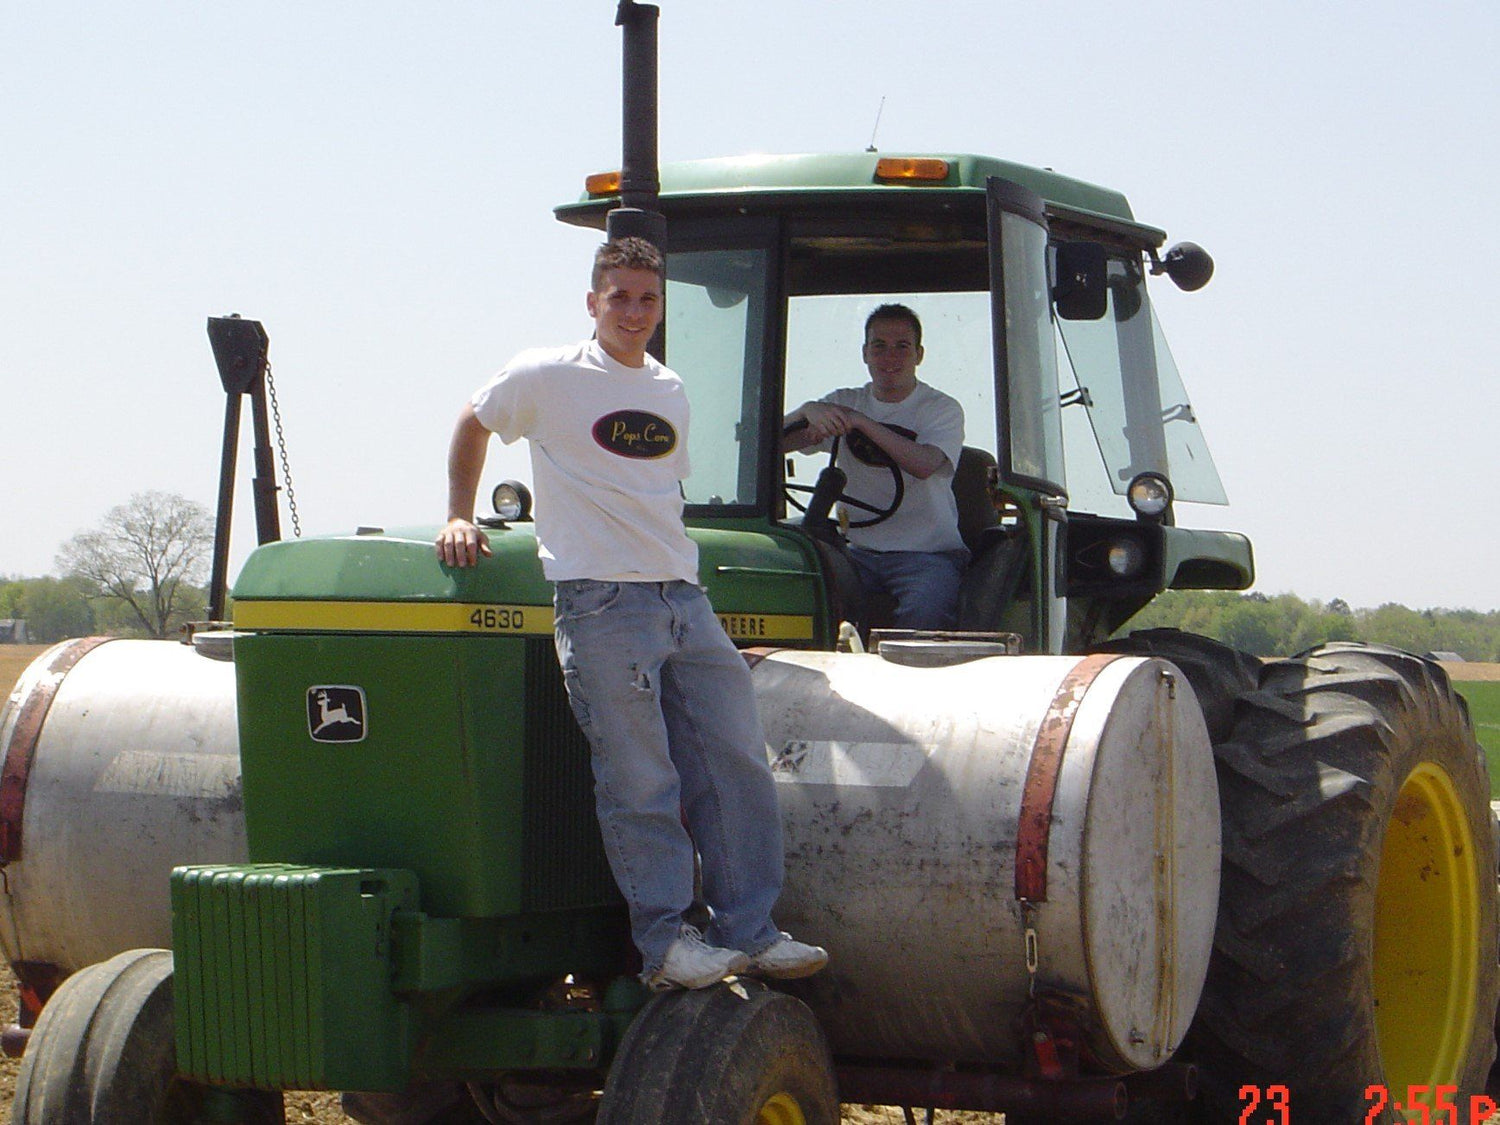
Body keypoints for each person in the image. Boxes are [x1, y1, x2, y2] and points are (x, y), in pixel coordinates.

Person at [436, 236, 827, 992]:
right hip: (600, 601)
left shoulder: (668, 388)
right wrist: (458, 514)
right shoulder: (545, 374)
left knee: (738, 762)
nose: (634, 312)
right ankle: (666, 943)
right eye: (620, 297)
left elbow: (657, 495)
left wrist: (683, 584)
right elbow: (473, 419)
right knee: (641, 778)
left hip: (682, 595)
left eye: (648, 299)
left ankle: (750, 929)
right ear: (593, 302)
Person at [783, 303, 969, 630]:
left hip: (927, 555)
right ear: (865, 353)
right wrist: (806, 411)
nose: (889, 357)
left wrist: (861, 423)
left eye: (902, 347)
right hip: (855, 552)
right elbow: (772, 444)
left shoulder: (940, 409)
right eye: (879, 346)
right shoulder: (844, 401)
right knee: (804, 599)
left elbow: (924, 464)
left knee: (925, 612)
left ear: (919, 354)